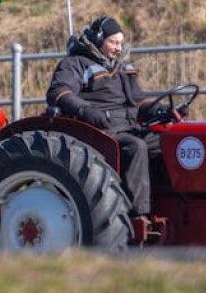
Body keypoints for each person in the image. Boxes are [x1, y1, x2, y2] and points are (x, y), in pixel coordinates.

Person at [46, 16, 163, 229]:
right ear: (99, 39)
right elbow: (59, 92)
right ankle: (139, 216)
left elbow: (138, 101)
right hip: (101, 129)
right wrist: (85, 110)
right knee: (136, 147)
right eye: (113, 42)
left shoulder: (124, 67)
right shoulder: (75, 63)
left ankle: (166, 204)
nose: (118, 48)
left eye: (120, 43)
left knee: (167, 141)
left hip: (129, 126)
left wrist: (161, 109)